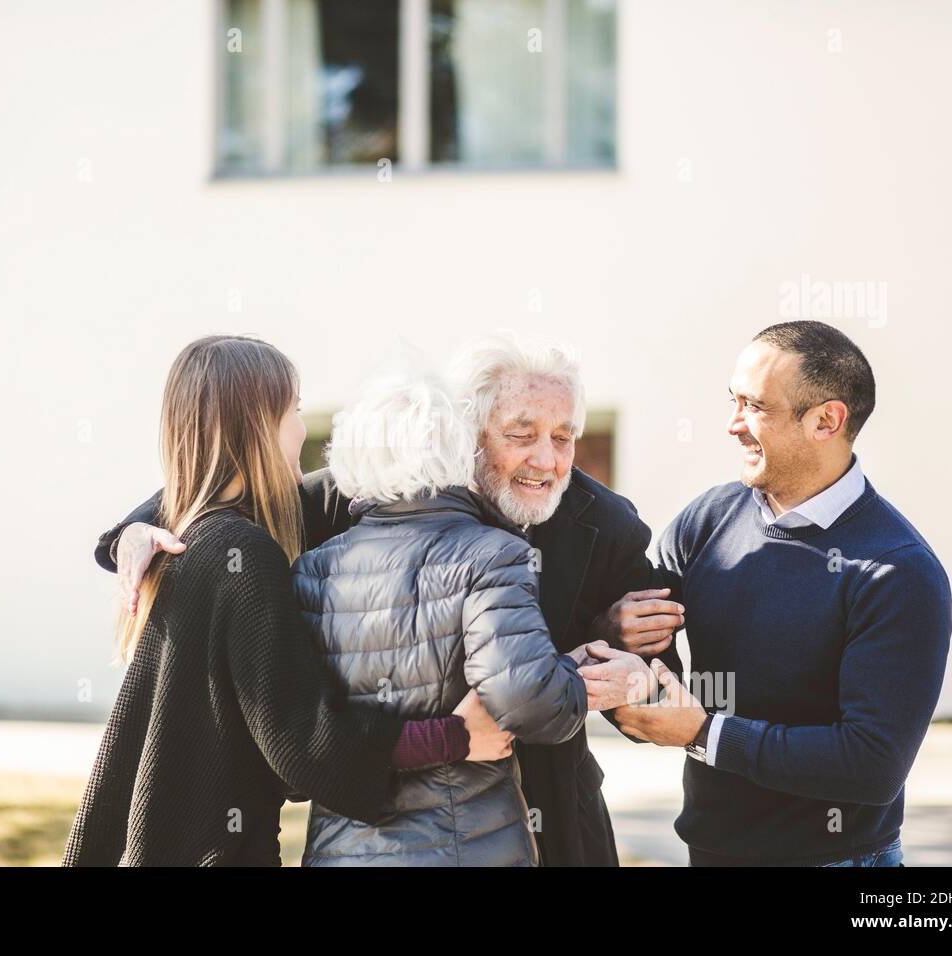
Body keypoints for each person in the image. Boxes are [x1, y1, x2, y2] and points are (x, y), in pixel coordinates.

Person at [96, 334, 679, 866]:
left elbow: (664, 692)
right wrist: (133, 530)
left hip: (553, 822)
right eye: (521, 435)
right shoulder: (363, 494)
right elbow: (228, 483)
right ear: (464, 432)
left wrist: (622, 663)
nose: (547, 460)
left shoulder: (606, 523)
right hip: (383, 817)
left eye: (564, 437)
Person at [62, 335, 510, 867]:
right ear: (258, 425)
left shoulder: (197, 535)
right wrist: (453, 738)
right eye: (293, 410)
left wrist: (130, 531)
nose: (303, 427)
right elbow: (305, 746)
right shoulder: (243, 554)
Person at [611, 320, 952, 867]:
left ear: (826, 420)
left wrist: (703, 733)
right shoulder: (706, 520)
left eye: (755, 406)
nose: (733, 425)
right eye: (733, 400)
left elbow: (870, 768)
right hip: (709, 851)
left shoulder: (897, 571)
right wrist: (622, 630)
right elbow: (651, 695)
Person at [294, 370, 610, 865]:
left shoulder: (310, 571)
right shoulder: (494, 554)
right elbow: (524, 700)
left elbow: (301, 733)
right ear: (461, 453)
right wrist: (573, 673)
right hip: (471, 846)